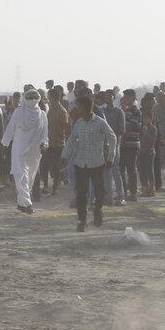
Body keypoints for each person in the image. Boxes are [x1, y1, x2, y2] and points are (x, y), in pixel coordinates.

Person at [60, 94, 114, 229]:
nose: (76, 109)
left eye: (78, 106)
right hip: (81, 163)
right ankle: (81, 220)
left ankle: (98, 211)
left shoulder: (100, 122)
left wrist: (110, 157)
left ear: (84, 107)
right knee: (81, 194)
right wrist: (64, 156)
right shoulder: (79, 123)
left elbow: (112, 138)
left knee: (99, 191)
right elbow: (72, 141)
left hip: (97, 163)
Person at [0, 89, 48, 215]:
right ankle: (27, 204)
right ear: (24, 98)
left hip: (34, 149)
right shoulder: (19, 112)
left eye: (34, 97)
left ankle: (21, 203)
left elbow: (45, 134)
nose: (32, 100)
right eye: (29, 97)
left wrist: (44, 143)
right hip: (19, 147)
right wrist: (5, 144)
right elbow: (10, 128)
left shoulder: (42, 114)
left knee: (30, 176)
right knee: (20, 174)